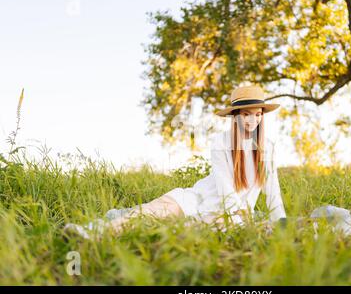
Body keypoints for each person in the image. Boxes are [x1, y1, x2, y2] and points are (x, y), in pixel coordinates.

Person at [63, 85, 287, 240]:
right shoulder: (220, 142)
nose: (252, 120)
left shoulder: (268, 148)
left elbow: (272, 192)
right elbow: (224, 186)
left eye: (257, 114)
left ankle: (114, 231)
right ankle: (91, 233)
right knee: (153, 211)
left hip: (227, 215)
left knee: (181, 229)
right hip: (198, 197)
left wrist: (281, 223)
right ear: (235, 115)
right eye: (246, 114)